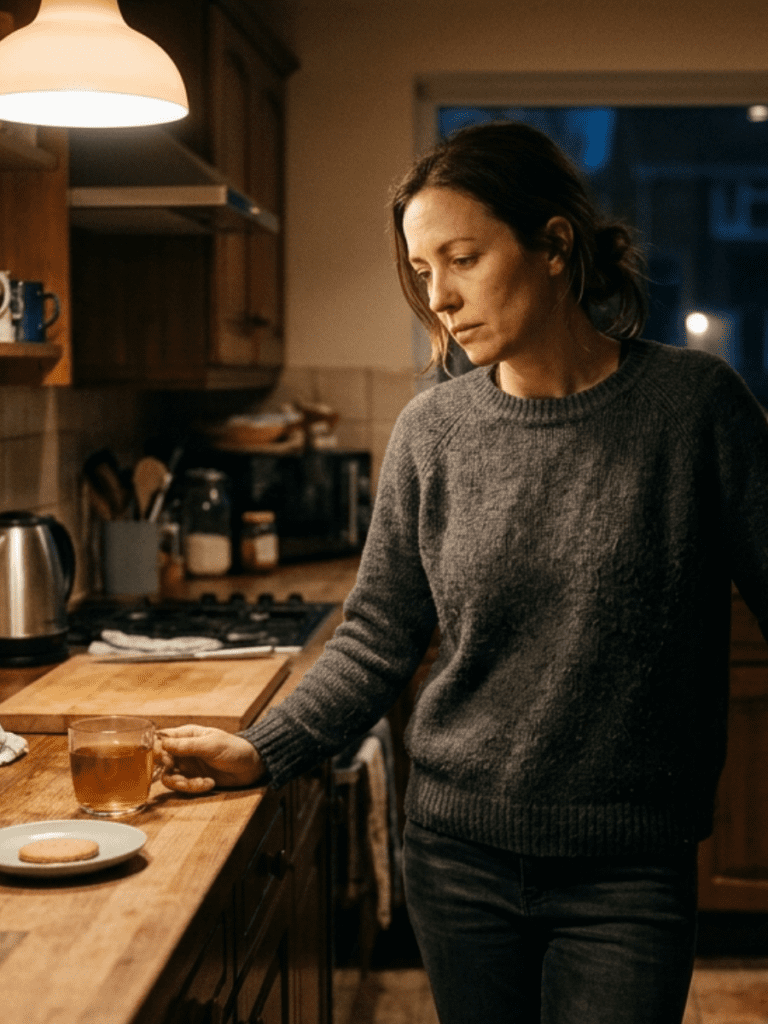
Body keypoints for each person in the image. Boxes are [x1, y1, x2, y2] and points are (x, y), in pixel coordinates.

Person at [159, 121, 768, 1024]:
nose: (436, 296)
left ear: (555, 245)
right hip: (455, 860)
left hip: (627, 876)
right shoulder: (432, 433)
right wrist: (263, 748)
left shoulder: (693, 411)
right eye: (420, 269)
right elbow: (375, 635)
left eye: (462, 258)